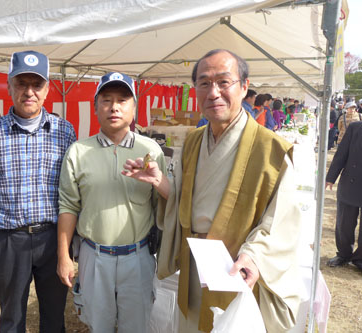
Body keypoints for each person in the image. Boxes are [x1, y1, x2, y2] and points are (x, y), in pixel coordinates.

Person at [123, 49, 301, 332]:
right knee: (192, 323)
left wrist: (253, 256)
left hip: (235, 268)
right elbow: (184, 203)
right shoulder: (193, 141)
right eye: (204, 83)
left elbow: (280, 224)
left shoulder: (272, 151)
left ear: (244, 87)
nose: (213, 92)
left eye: (223, 82)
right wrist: (159, 181)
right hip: (195, 264)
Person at [0, 50, 77, 333]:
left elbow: (74, 190)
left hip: (53, 240)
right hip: (9, 241)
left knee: (54, 317)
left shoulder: (64, 132)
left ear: (47, 88)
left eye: (36, 84)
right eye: (21, 83)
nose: (29, 92)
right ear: (10, 85)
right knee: (11, 317)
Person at [57, 72, 166, 332]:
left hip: (138, 257)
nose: (114, 107)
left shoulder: (150, 151)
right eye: (106, 100)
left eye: (122, 100)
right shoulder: (78, 152)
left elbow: (162, 205)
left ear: (134, 108)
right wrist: (63, 255)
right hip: (94, 256)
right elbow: (68, 206)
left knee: (137, 325)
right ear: (95, 108)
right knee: (99, 325)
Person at [325, 121, 362, 271]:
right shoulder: (355, 128)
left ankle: (360, 259)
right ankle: (344, 254)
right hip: (350, 183)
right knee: (344, 222)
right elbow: (341, 153)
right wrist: (331, 177)